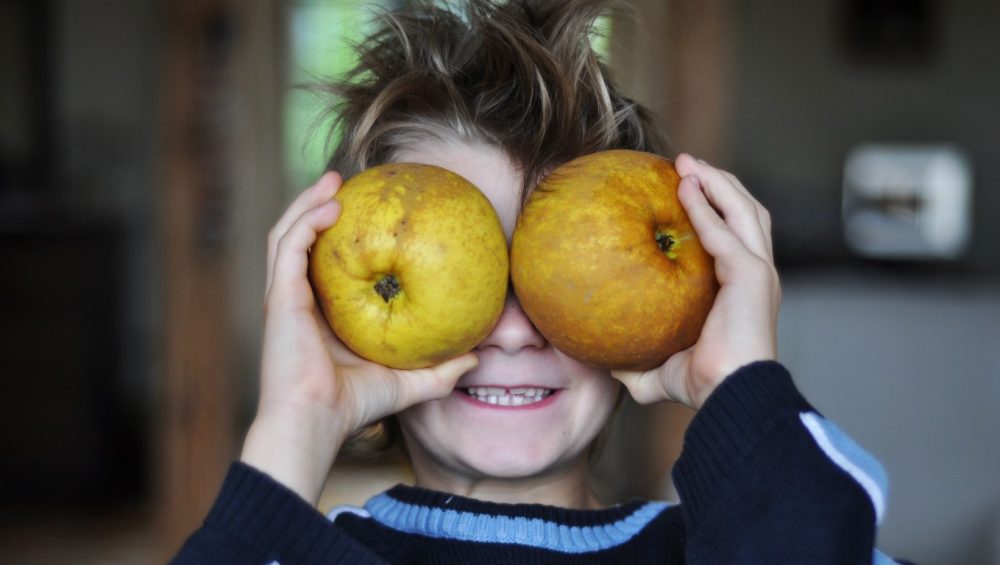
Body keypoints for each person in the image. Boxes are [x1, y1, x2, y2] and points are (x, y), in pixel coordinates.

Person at [173, 1, 905, 562]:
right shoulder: (285, 543)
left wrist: (738, 387)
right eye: (477, 274)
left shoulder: (751, 534)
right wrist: (293, 428)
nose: (517, 329)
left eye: (556, 278)